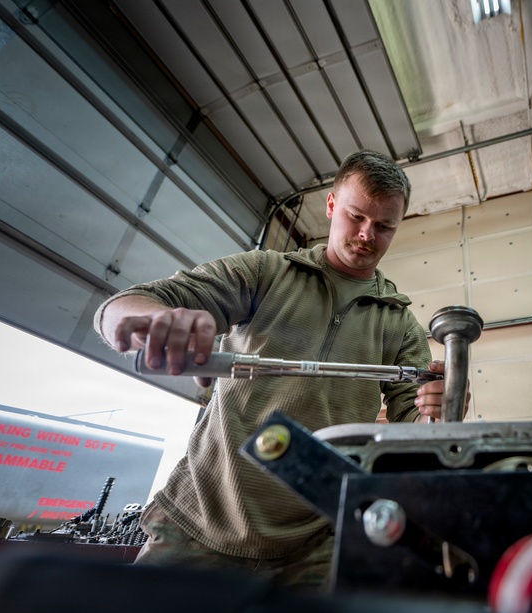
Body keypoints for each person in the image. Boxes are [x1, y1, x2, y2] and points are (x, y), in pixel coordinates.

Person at [93, 149, 461, 590]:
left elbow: (419, 431)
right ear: (330, 206)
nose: (367, 235)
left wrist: (444, 404)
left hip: (312, 547)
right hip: (196, 528)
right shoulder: (267, 273)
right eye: (356, 216)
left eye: (384, 227)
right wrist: (153, 321)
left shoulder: (398, 323)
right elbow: (126, 305)